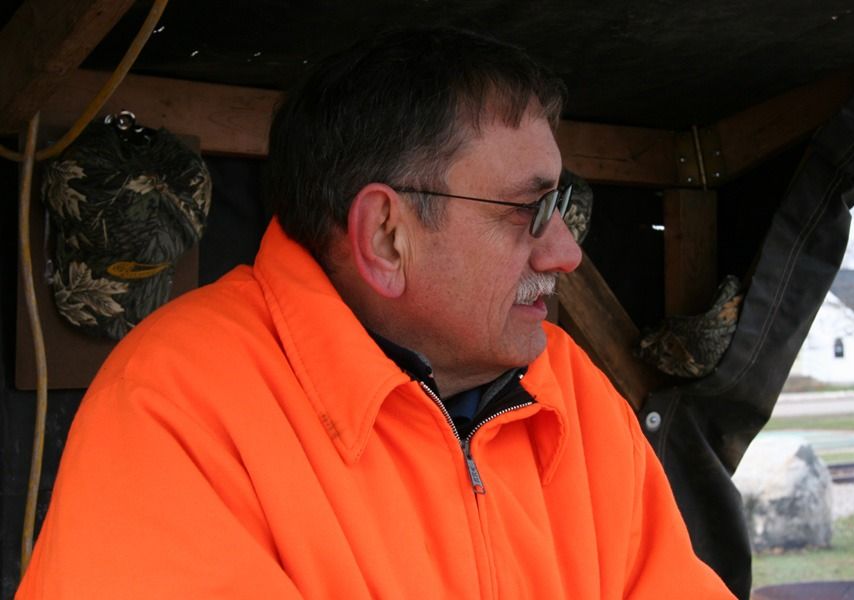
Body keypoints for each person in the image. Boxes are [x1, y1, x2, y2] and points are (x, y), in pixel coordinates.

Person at [18, 27, 734, 598]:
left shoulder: (573, 395)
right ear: (387, 237)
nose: (566, 253)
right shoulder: (179, 403)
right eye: (529, 210)